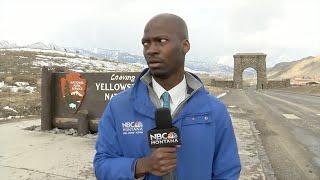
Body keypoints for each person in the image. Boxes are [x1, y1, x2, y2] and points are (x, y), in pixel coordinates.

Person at [94, 13, 241, 180]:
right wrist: (142, 165)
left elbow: (227, 172)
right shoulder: (119, 106)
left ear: (185, 46)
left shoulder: (214, 111)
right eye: (146, 43)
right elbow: (102, 165)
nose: (151, 50)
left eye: (161, 41)